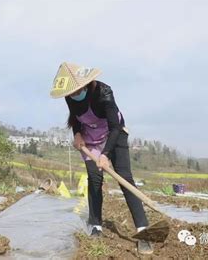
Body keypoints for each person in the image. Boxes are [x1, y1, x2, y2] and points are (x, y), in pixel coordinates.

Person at [49, 62, 153, 254]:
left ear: (87, 83)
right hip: (90, 138)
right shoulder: (70, 96)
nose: (74, 94)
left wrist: (105, 154)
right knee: (94, 179)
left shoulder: (104, 93)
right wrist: (77, 134)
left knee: (125, 177)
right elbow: (76, 118)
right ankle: (96, 226)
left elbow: (115, 127)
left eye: (77, 90)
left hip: (114, 134)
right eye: (71, 92)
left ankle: (143, 230)